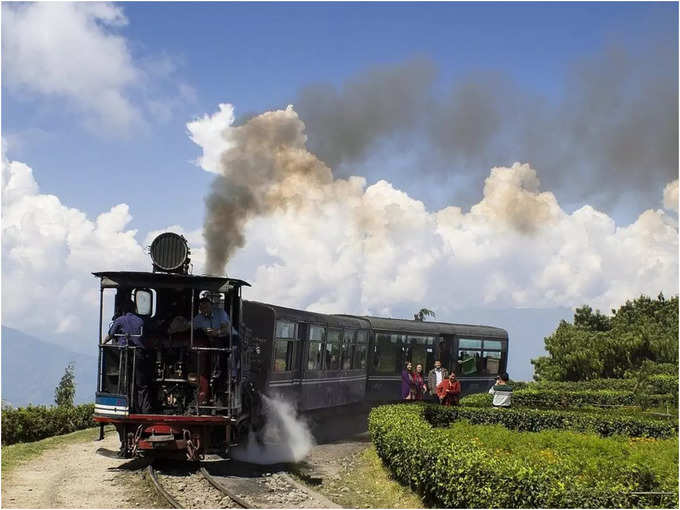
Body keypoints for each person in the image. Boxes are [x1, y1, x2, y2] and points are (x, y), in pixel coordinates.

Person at [104, 300, 151, 414]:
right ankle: (144, 410)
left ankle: (127, 408)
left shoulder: (120, 320)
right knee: (141, 384)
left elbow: (110, 334)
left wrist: (103, 343)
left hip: (124, 353)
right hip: (139, 354)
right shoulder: (140, 321)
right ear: (135, 309)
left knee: (126, 381)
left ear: (123, 310)